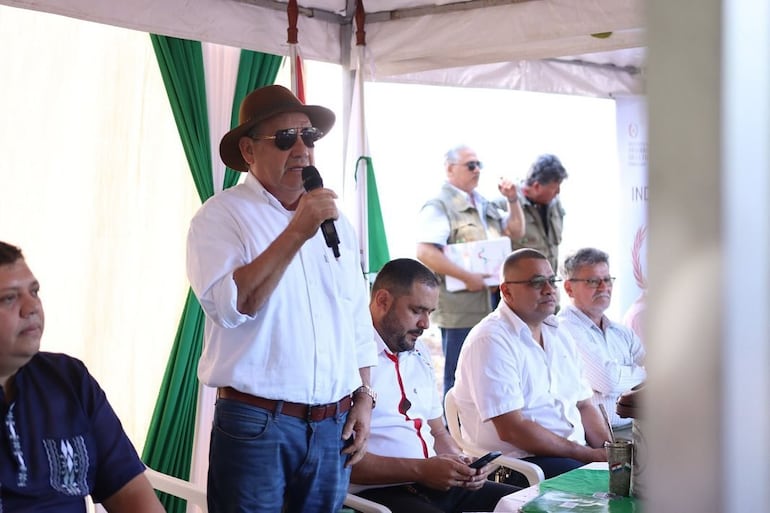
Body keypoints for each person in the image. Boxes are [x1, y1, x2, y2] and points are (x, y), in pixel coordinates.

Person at [186, 85, 377, 513]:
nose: (302, 149)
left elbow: (355, 322)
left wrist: (365, 397)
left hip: (333, 426)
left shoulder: (336, 221)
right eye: (285, 139)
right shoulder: (220, 216)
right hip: (258, 423)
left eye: (308, 136)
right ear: (250, 151)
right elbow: (233, 305)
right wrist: (297, 230)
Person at [0, 241, 164, 513]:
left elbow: (130, 491)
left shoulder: (69, 379)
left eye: (34, 292)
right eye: (9, 297)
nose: (31, 308)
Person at [350, 258, 518, 512]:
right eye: (417, 310)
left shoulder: (418, 352)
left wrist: (462, 464)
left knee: (527, 503)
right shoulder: (348, 359)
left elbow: (439, 433)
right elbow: (348, 463)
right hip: (379, 492)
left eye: (430, 312)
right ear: (382, 301)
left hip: (433, 481)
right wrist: (422, 469)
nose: (426, 324)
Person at [453, 248, 610, 488]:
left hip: (570, 456)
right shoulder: (491, 339)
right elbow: (513, 430)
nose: (548, 289)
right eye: (536, 282)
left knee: (636, 480)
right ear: (506, 291)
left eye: (551, 280)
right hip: (517, 467)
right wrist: (587, 455)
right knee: (603, 491)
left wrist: (607, 452)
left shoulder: (559, 332)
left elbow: (584, 404)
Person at [416, 144, 525, 397]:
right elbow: (425, 252)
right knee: (460, 377)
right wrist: (468, 278)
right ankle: (454, 434)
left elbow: (516, 232)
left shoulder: (483, 202)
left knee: (495, 371)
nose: (477, 170)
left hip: (493, 304)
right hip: (461, 309)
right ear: (450, 168)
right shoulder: (440, 205)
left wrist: (512, 200)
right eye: (471, 165)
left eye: (479, 165)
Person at [558, 247, 646, 435]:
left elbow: (661, 373)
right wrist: (644, 376)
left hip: (638, 427)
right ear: (568, 288)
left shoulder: (621, 332)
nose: (603, 287)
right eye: (592, 281)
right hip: (597, 437)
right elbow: (609, 381)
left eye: (606, 279)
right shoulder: (564, 328)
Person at [513, 154, 568, 273]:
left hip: (548, 283)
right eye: (554, 188)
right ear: (537, 186)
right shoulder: (508, 204)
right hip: (522, 286)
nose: (558, 192)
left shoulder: (554, 203)